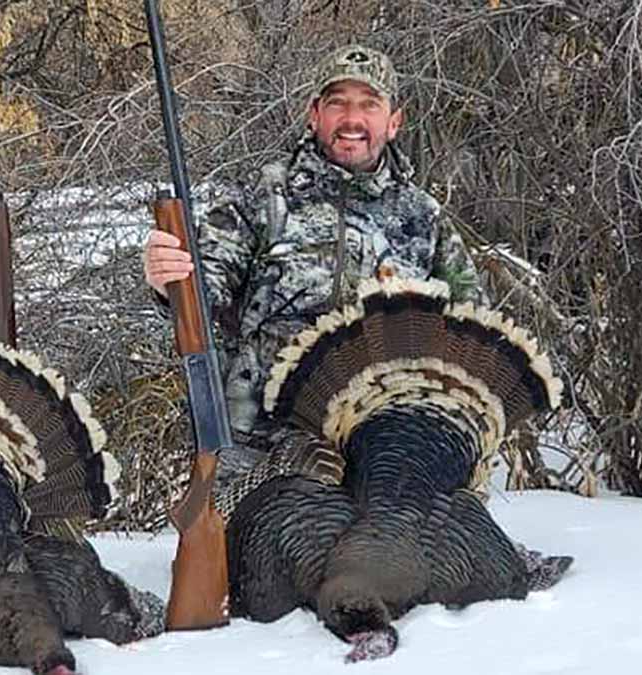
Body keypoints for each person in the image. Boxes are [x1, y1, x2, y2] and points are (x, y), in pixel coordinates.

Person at [144, 45, 485, 490]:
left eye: (369, 104)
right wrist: (167, 278)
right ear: (314, 114)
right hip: (262, 450)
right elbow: (202, 290)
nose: (352, 119)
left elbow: (476, 332)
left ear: (394, 121)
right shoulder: (265, 196)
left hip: (385, 450)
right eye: (338, 102)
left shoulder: (423, 218)